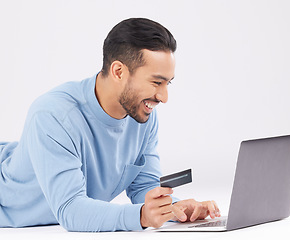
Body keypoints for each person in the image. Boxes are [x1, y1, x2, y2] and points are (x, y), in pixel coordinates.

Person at [0, 18, 220, 232]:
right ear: (118, 72)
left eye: (168, 83)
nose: (164, 97)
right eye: (156, 82)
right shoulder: (53, 115)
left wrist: (176, 209)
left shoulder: (142, 115)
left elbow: (144, 189)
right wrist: (141, 216)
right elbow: (70, 210)